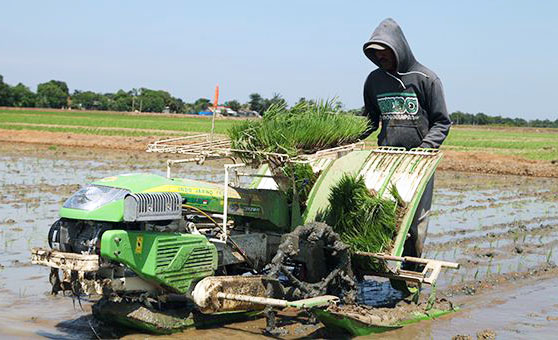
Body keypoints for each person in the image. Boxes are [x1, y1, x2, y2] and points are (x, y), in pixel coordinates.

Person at [361, 18, 451, 260]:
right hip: (387, 159)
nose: (381, 58)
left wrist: (424, 149)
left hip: (419, 161)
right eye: (375, 54)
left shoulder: (425, 79)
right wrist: (342, 135)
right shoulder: (374, 81)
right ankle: (387, 265)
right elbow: (370, 119)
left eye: (385, 52)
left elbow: (442, 122)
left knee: (415, 219)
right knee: (386, 216)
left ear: (398, 47)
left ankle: (412, 268)